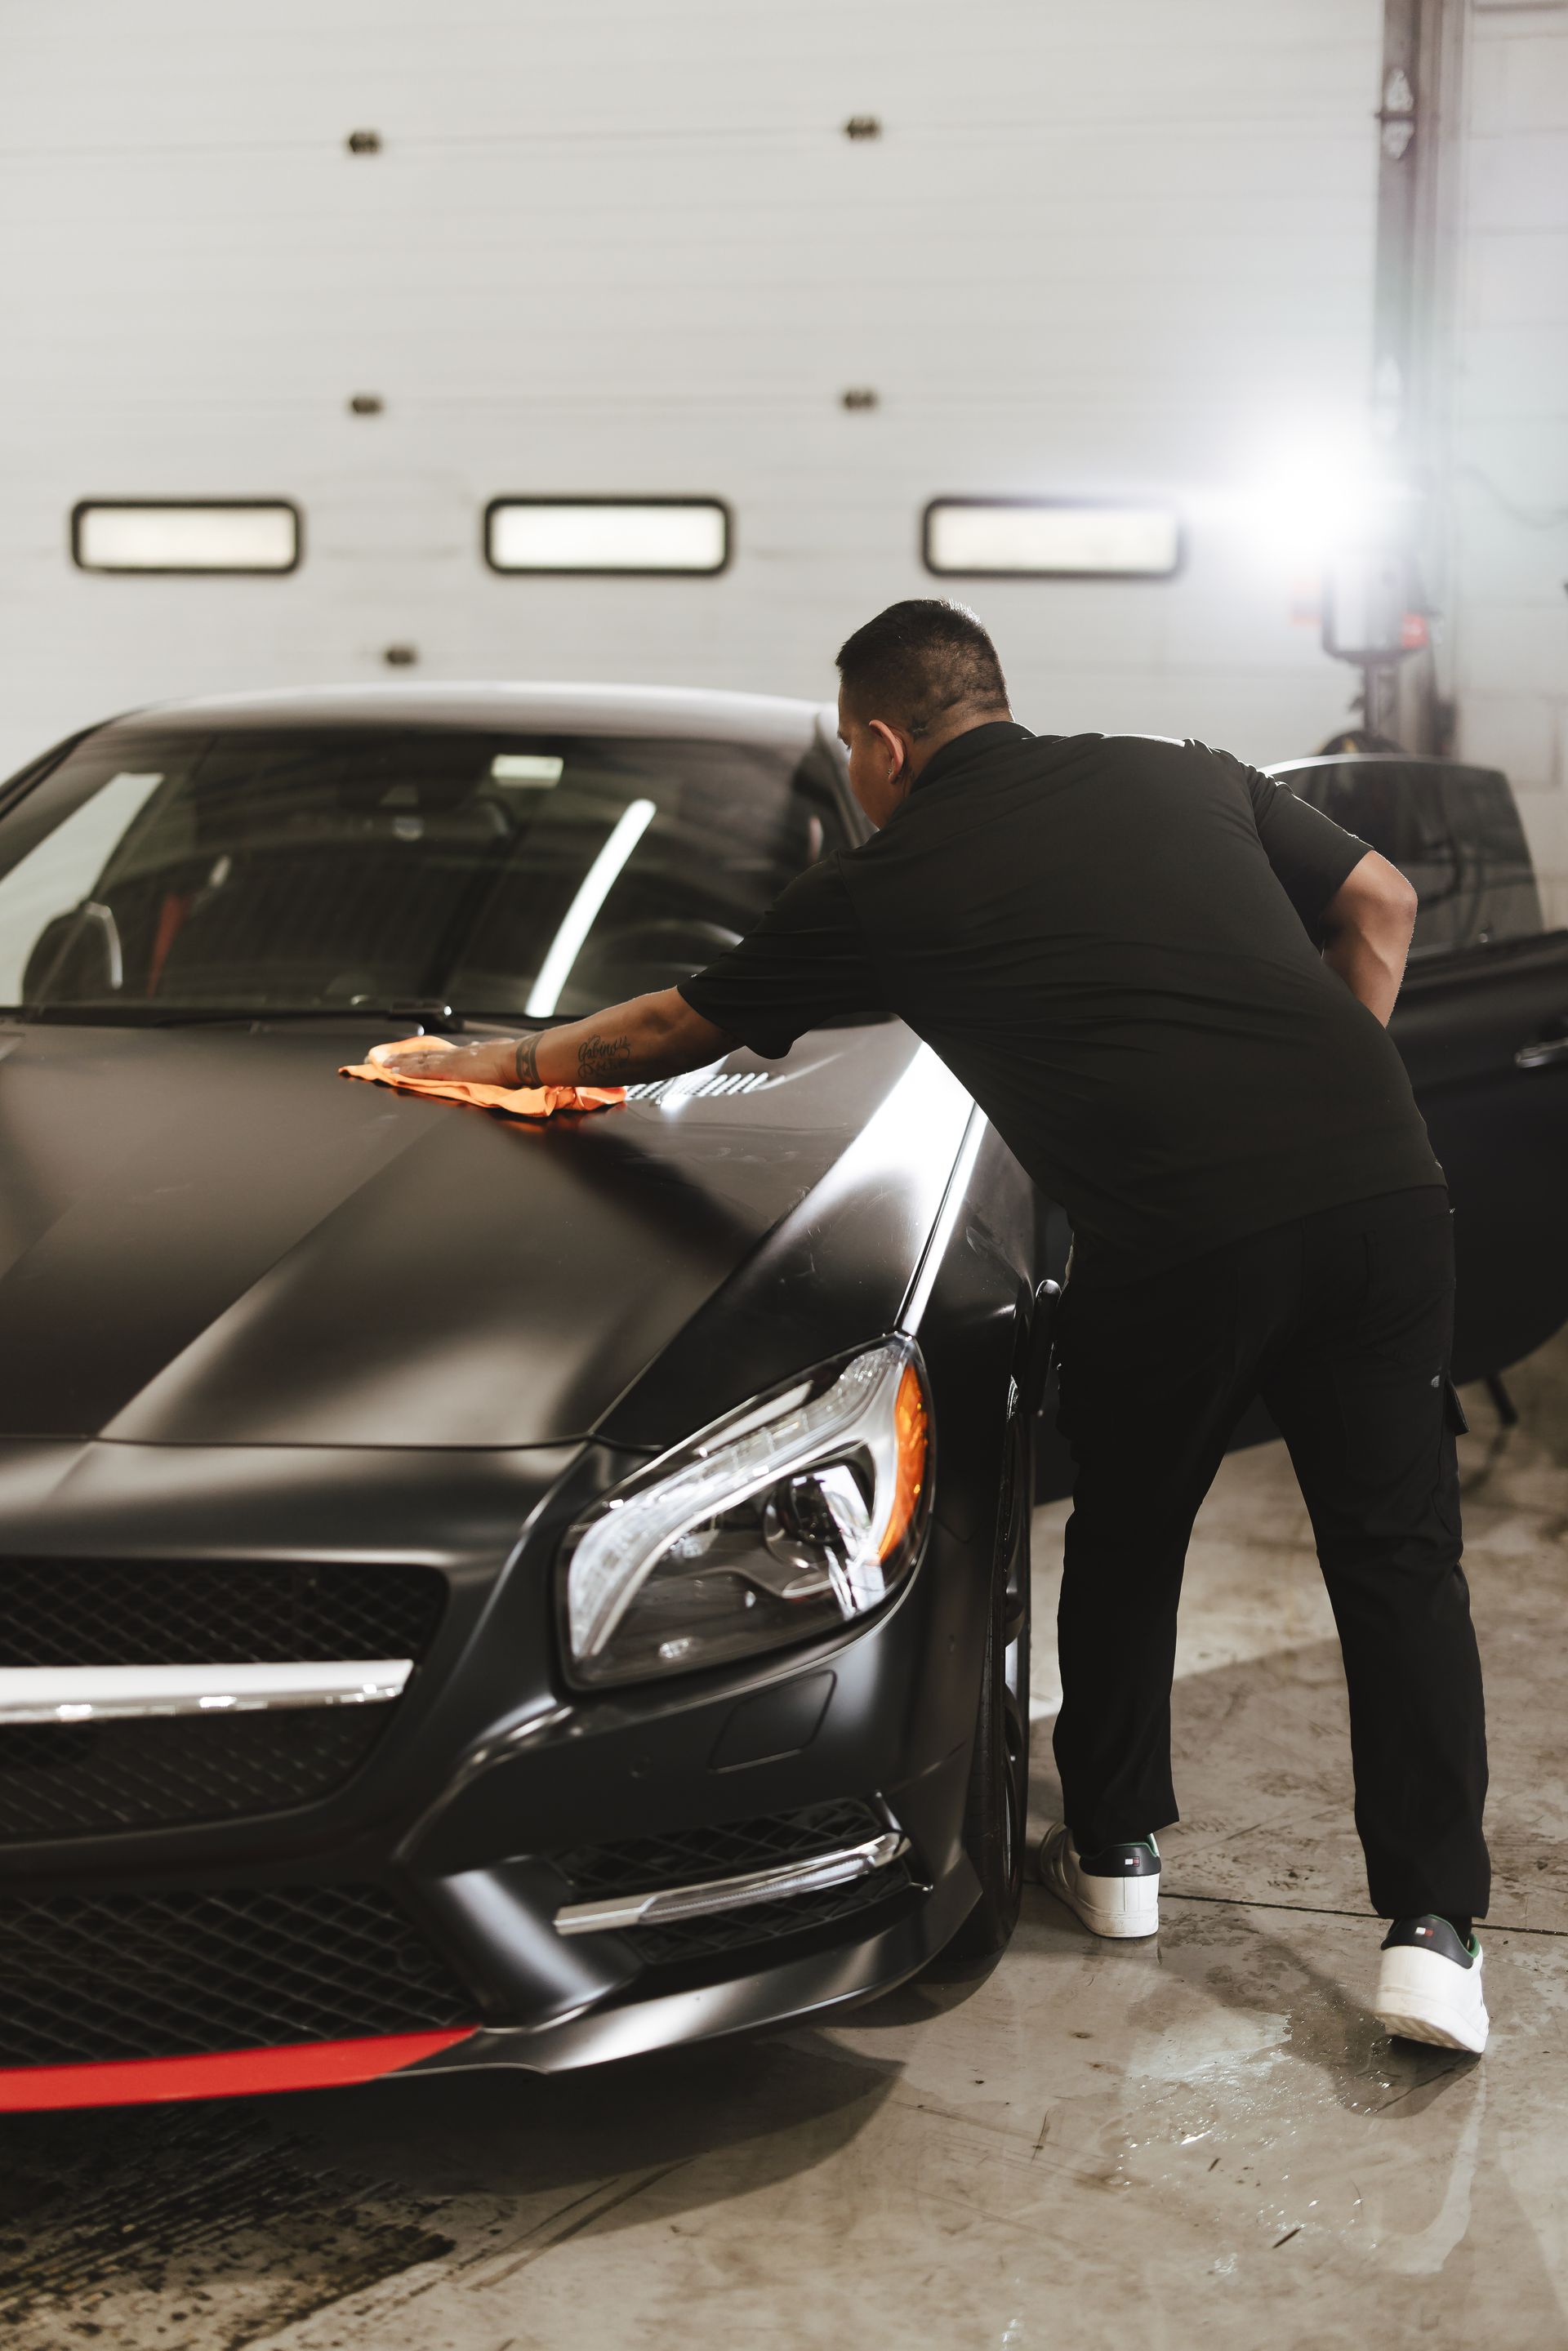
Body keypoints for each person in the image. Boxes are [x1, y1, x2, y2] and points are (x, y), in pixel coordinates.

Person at [376, 599, 1490, 2055]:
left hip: (1177, 1240)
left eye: (853, 748)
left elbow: (668, 1032)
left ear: (886, 742)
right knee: (1401, 1559)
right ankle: (1434, 1934)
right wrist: (1327, 1100)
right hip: (1382, 1195)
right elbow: (1385, 903)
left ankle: (1116, 1854)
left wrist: (496, 1061)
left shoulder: (891, 883)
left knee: (1135, 1529)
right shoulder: (1183, 768)